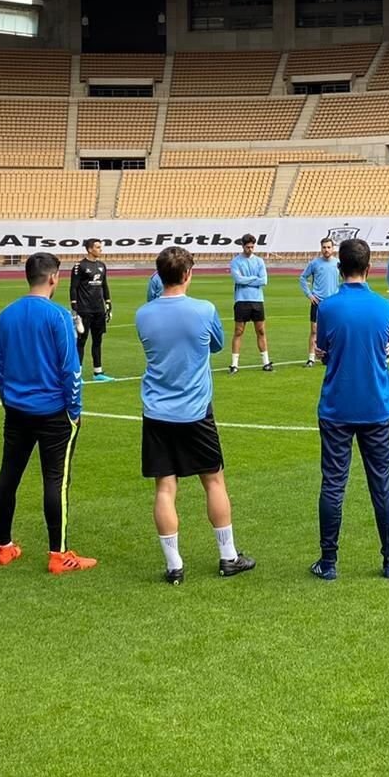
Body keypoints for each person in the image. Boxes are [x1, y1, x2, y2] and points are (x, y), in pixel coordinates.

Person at [136, 245, 255, 584]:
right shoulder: (204, 309)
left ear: (159, 276)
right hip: (196, 410)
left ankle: (174, 565)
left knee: (165, 487)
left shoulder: (144, 314)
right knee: (213, 480)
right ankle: (227, 556)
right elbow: (215, 344)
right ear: (188, 274)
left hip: (157, 411)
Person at [0, 253, 97, 574]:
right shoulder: (58, 316)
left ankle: (4, 546)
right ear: (53, 277)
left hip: (17, 411)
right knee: (55, 480)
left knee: (9, 475)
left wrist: (8, 400)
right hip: (53, 412)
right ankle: (58, 554)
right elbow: (70, 368)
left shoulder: (6, 315)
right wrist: (74, 410)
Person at [311, 238, 389, 580]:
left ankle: (329, 562)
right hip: (376, 406)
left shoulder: (327, 307)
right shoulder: (385, 307)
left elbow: (325, 351)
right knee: (383, 485)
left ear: (339, 268)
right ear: (369, 268)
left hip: (337, 406)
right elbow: (380, 346)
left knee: (333, 485)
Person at [69, 238, 113, 382]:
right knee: (81, 341)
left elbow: (104, 285)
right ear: (89, 249)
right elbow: (73, 287)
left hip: (98, 309)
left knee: (97, 340)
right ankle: (78, 373)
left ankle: (98, 372)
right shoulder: (79, 266)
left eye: (100, 247)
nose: (101, 249)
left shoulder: (101, 265)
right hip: (84, 309)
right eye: (98, 247)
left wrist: (108, 303)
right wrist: (74, 308)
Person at [228, 234, 270, 374]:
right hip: (241, 300)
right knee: (238, 331)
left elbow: (264, 280)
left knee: (261, 330)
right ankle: (234, 364)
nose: (250, 249)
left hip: (257, 300)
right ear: (243, 246)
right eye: (248, 247)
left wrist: (247, 279)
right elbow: (238, 279)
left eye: (252, 247)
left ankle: (266, 362)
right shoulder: (235, 261)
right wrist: (254, 278)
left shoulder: (259, 261)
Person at [299, 237, 340, 367]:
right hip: (318, 302)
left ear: (333, 248)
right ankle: (311, 358)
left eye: (329, 247)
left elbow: (346, 278)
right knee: (314, 330)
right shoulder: (315, 263)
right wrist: (309, 294)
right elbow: (303, 278)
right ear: (321, 248)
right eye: (324, 247)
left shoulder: (338, 263)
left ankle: (333, 355)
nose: (326, 250)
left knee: (334, 329)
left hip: (333, 302)